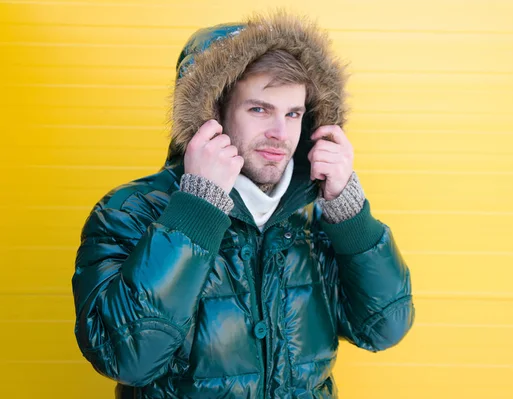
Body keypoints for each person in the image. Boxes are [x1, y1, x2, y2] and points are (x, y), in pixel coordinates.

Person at [71, 12, 415, 399]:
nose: (280, 134)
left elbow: (384, 327)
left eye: (293, 114)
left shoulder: (320, 213)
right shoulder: (130, 211)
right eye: (259, 109)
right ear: (211, 114)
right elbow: (127, 358)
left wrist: (349, 212)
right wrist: (197, 210)